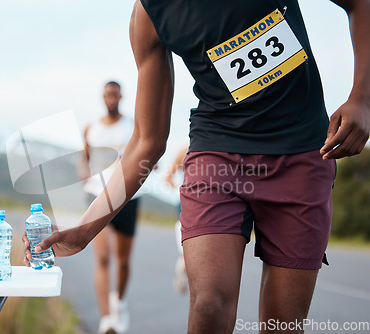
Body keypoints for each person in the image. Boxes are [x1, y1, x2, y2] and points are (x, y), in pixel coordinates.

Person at [25, 1, 370, 333]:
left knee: (284, 323)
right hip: (217, 156)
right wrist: (83, 229)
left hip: (301, 154)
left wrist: (362, 99)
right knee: (209, 305)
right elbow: (147, 141)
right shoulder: (149, 14)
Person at [82, 81, 140, 334]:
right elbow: (83, 158)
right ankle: (106, 319)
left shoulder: (132, 125)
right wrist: (86, 175)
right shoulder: (91, 129)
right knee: (103, 258)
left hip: (128, 195)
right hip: (98, 195)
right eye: (107, 95)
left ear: (121, 97)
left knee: (123, 260)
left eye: (115, 95)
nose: (111, 99)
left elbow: (146, 149)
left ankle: (121, 303)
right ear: (102, 98)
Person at [164, 145, 188, 294]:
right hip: (185, 205)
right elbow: (168, 177)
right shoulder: (183, 150)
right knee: (187, 251)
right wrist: (179, 190)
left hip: (211, 204)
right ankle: (181, 275)